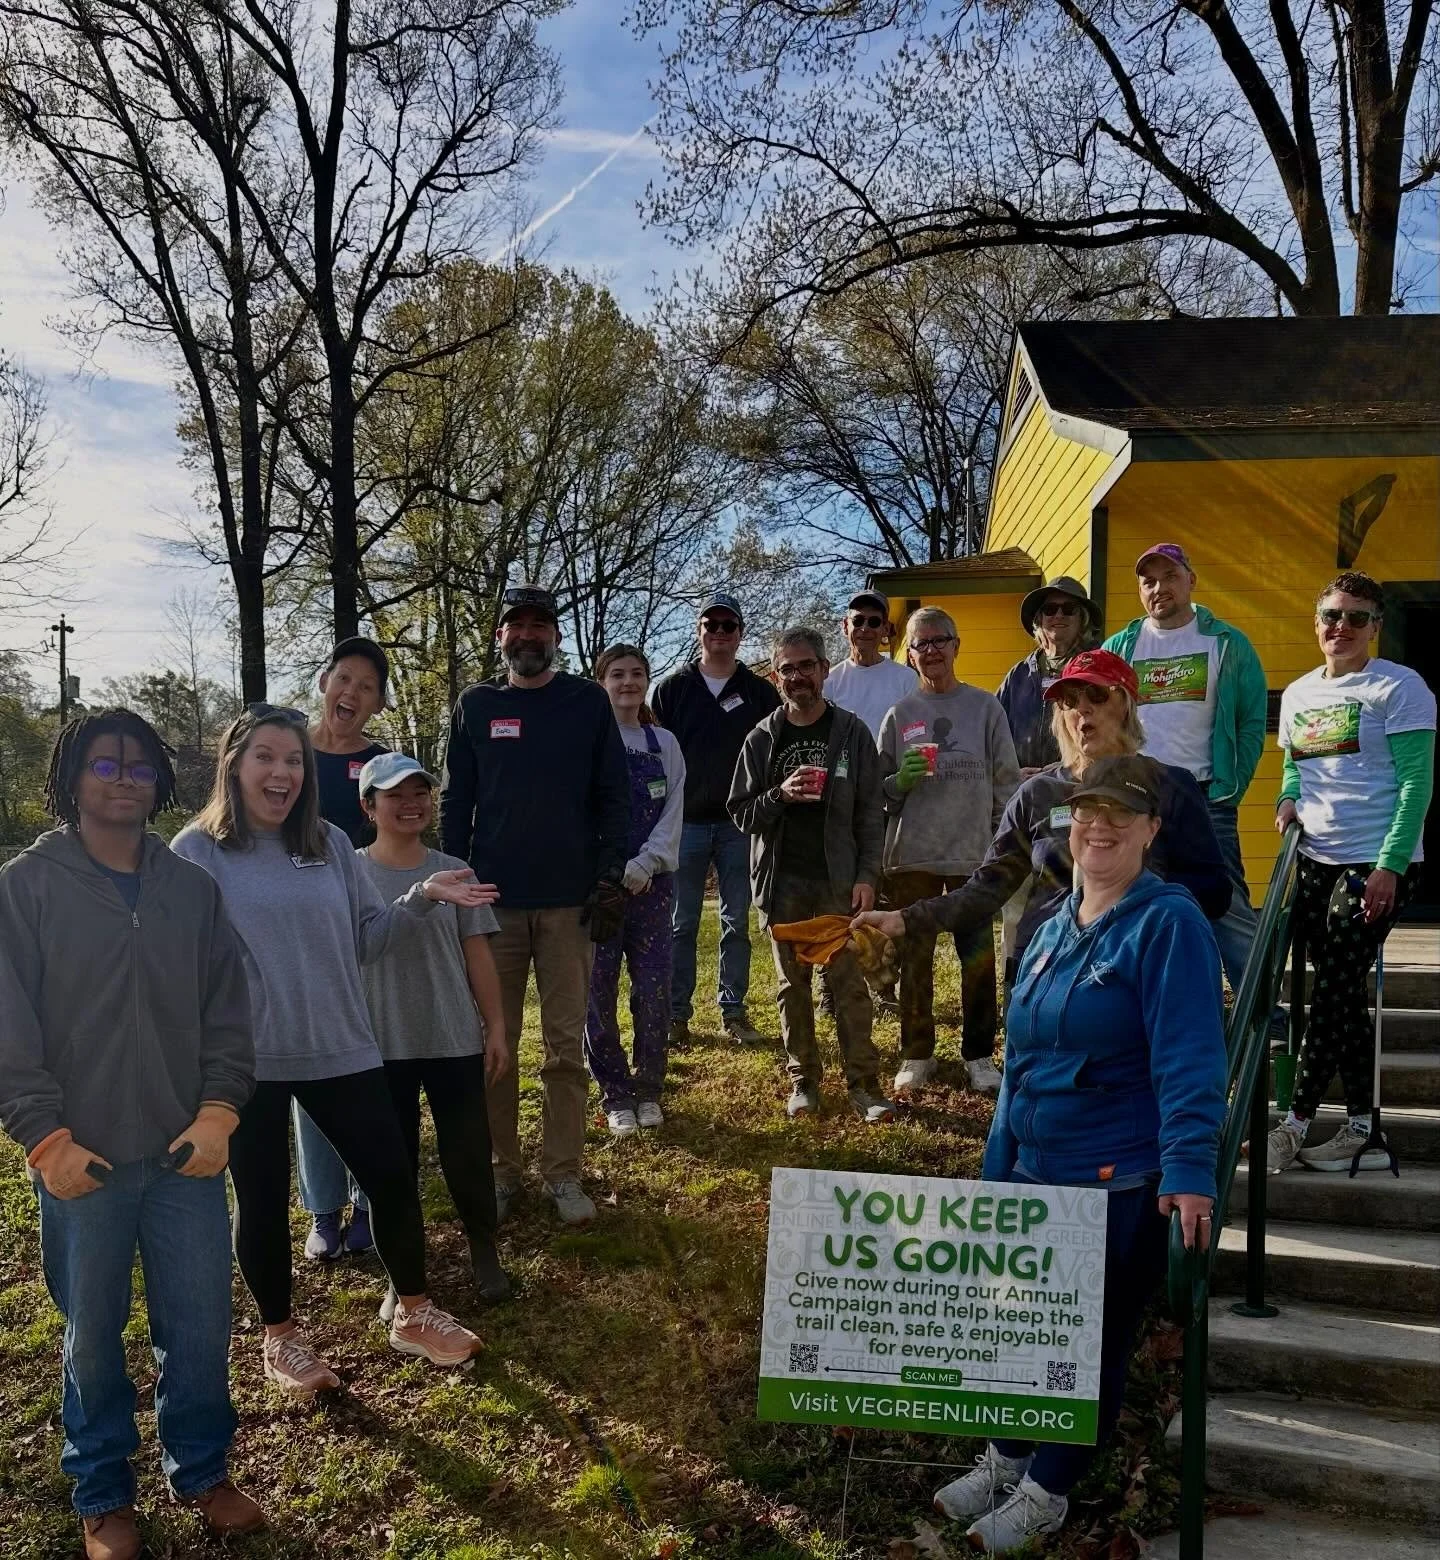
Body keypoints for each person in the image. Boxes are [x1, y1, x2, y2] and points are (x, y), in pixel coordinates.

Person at [930, 757, 1226, 1554]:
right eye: (1087, 810)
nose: (1099, 825)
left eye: (1120, 814)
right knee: (1017, 1329)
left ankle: (1047, 1491)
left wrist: (1192, 1172)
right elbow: (1018, 1063)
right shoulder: (1056, 921)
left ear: (1152, 829)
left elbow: (1191, 1056)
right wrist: (996, 1173)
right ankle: (1007, 1456)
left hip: (1117, 1179)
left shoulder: (1169, 923)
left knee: (1084, 1344)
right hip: (1033, 1167)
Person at [0, 711, 264, 1559]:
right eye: (106, 764)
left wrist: (220, 1110)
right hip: (84, 1164)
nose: (125, 779)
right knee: (91, 1334)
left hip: (186, 1157)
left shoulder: (191, 889)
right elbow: (8, 1027)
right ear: (71, 776)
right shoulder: (24, 889)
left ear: (163, 782)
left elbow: (228, 1011)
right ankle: (103, 1490)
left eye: (142, 768)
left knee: (198, 1326)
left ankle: (203, 1471)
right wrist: (44, 1138)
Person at [173, 706, 495, 1394]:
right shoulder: (196, 851)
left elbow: (364, 940)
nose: (282, 772)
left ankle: (413, 1313)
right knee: (259, 1199)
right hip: (246, 1060)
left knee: (391, 1178)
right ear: (234, 763)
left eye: (292, 759)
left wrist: (420, 899)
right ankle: (280, 1339)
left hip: (342, 1045)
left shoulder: (327, 842)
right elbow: (174, 963)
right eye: (265, 756)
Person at [854, 650, 1229, 977]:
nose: (1082, 709)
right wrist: (903, 919)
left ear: (1127, 705)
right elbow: (986, 889)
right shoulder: (1037, 794)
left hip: (1138, 967)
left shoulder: (1170, 786)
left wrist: (1132, 907)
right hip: (1045, 966)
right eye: (1068, 700)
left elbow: (1213, 892)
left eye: (1096, 695)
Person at [440, 583, 630, 1228]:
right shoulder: (474, 706)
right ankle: (500, 1170)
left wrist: (609, 877)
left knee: (563, 1049)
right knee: (493, 1044)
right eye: (515, 625)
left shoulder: (586, 703)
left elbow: (614, 796)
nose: (527, 635)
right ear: (500, 637)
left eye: (539, 625)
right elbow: (454, 803)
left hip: (570, 906)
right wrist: (454, 883)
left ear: (555, 634)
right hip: (491, 906)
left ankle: (563, 1173)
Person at [1265, 572, 1435, 1173]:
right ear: (1316, 622)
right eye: (1331, 615)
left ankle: (1295, 1123)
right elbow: (1296, 769)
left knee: (1332, 990)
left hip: (1375, 861)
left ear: (1376, 627)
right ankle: (1363, 1128)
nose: (1341, 627)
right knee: (1340, 994)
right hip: (1314, 857)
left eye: (1356, 618)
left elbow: (1417, 782)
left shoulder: (1400, 687)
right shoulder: (1299, 693)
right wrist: (1286, 799)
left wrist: (1391, 865)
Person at [355, 751, 513, 1310]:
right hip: (378, 1046)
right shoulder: (349, 873)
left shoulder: (454, 867)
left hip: (451, 1038)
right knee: (388, 1165)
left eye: (420, 792)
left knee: (469, 1153)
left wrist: (495, 1027)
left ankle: (483, 1247)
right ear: (369, 805)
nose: (411, 804)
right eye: (395, 794)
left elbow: (477, 955)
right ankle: (401, 1275)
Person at [729, 626, 892, 1122]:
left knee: (848, 986)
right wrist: (780, 794)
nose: (797, 676)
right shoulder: (762, 737)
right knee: (791, 988)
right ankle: (804, 1082)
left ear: (824, 669)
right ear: (776, 675)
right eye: (787, 668)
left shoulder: (852, 732)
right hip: (783, 885)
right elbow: (740, 812)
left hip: (837, 881)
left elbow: (871, 811)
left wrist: (867, 874)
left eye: (806, 666)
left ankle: (865, 1085)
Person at [1104, 544, 1269, 995]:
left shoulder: (1226, 643)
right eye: (1148, 581)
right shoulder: (1121, 647)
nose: (1160, 588)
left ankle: (1264, 1021)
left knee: (1229, 909)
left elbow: (1252, 719)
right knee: (1132, 904)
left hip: (1204, 798)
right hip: (1134, 798)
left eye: (1169, 576)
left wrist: (1231, 787)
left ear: (1190, 580)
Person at [879, 607, 1019, 1096]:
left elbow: (1007, 781)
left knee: (978, 960)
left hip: (972, 857)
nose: (932, 650)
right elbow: (880, 794)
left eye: (941, 640)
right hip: (912, 857)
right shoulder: (899, 716)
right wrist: (901, 779)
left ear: (957, 646)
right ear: (910, 654)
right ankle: (917, 1055)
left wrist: (998, 843)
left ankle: (980, 1055)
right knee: (913, 960)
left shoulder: (985, 708)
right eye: (921, 644)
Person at [651, 591, 782, 1046]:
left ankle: (734, 1011)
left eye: (729, 626)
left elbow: (774, 757)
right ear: (699, 630)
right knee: (680, 922)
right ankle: (675, 1014)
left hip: (740, 825)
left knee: (736, 921)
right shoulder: (671, 690)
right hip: (683, 823)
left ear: (740, 634)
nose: (720, 633)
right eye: (712, 624)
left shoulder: (761, 692)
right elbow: (657, 757)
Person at [296, 635, 391, 1260]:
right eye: (344, 679)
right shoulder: (287, 751)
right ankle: (323, 1209)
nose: (350, 693)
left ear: (378, 703)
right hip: (294, 933)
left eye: (366, 687)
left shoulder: (385, 763)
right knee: (307, 1068)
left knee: (362, 1069)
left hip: (359, 927)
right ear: (324, 682)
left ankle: (364, 1200)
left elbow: (395, 836)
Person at [584, 644, 686, 1136]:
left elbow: (673, 814)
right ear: (601, 682)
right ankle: (614, 1092)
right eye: (618, 674)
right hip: (599, 888)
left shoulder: (662, 742)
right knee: (596, 991)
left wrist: (646, 863)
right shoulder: (585, 741)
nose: (628, 682)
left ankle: (648, 1090)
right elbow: (578, 814)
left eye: (637, 674)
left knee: (653, 989)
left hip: (653, 886)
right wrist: (607, 868)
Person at [997, 574, 1101, 776]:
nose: (1059, 615)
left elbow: (1111, 733)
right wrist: (1010, 772)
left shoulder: (1097, 668)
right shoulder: (1018, 675)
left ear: (1083, 619)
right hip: (1024, 789)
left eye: (1069, 609)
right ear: (1039, 620)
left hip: (1080, 787)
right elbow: (993, 733)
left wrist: (1063, 772)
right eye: (1050, 609)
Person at [823, 588, 918, 740]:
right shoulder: (829, 681)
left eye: (874, 622)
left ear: (885, 628)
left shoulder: (906, 678)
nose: (865, 628)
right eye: (858, 620)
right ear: (846, 626)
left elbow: (914, 734)